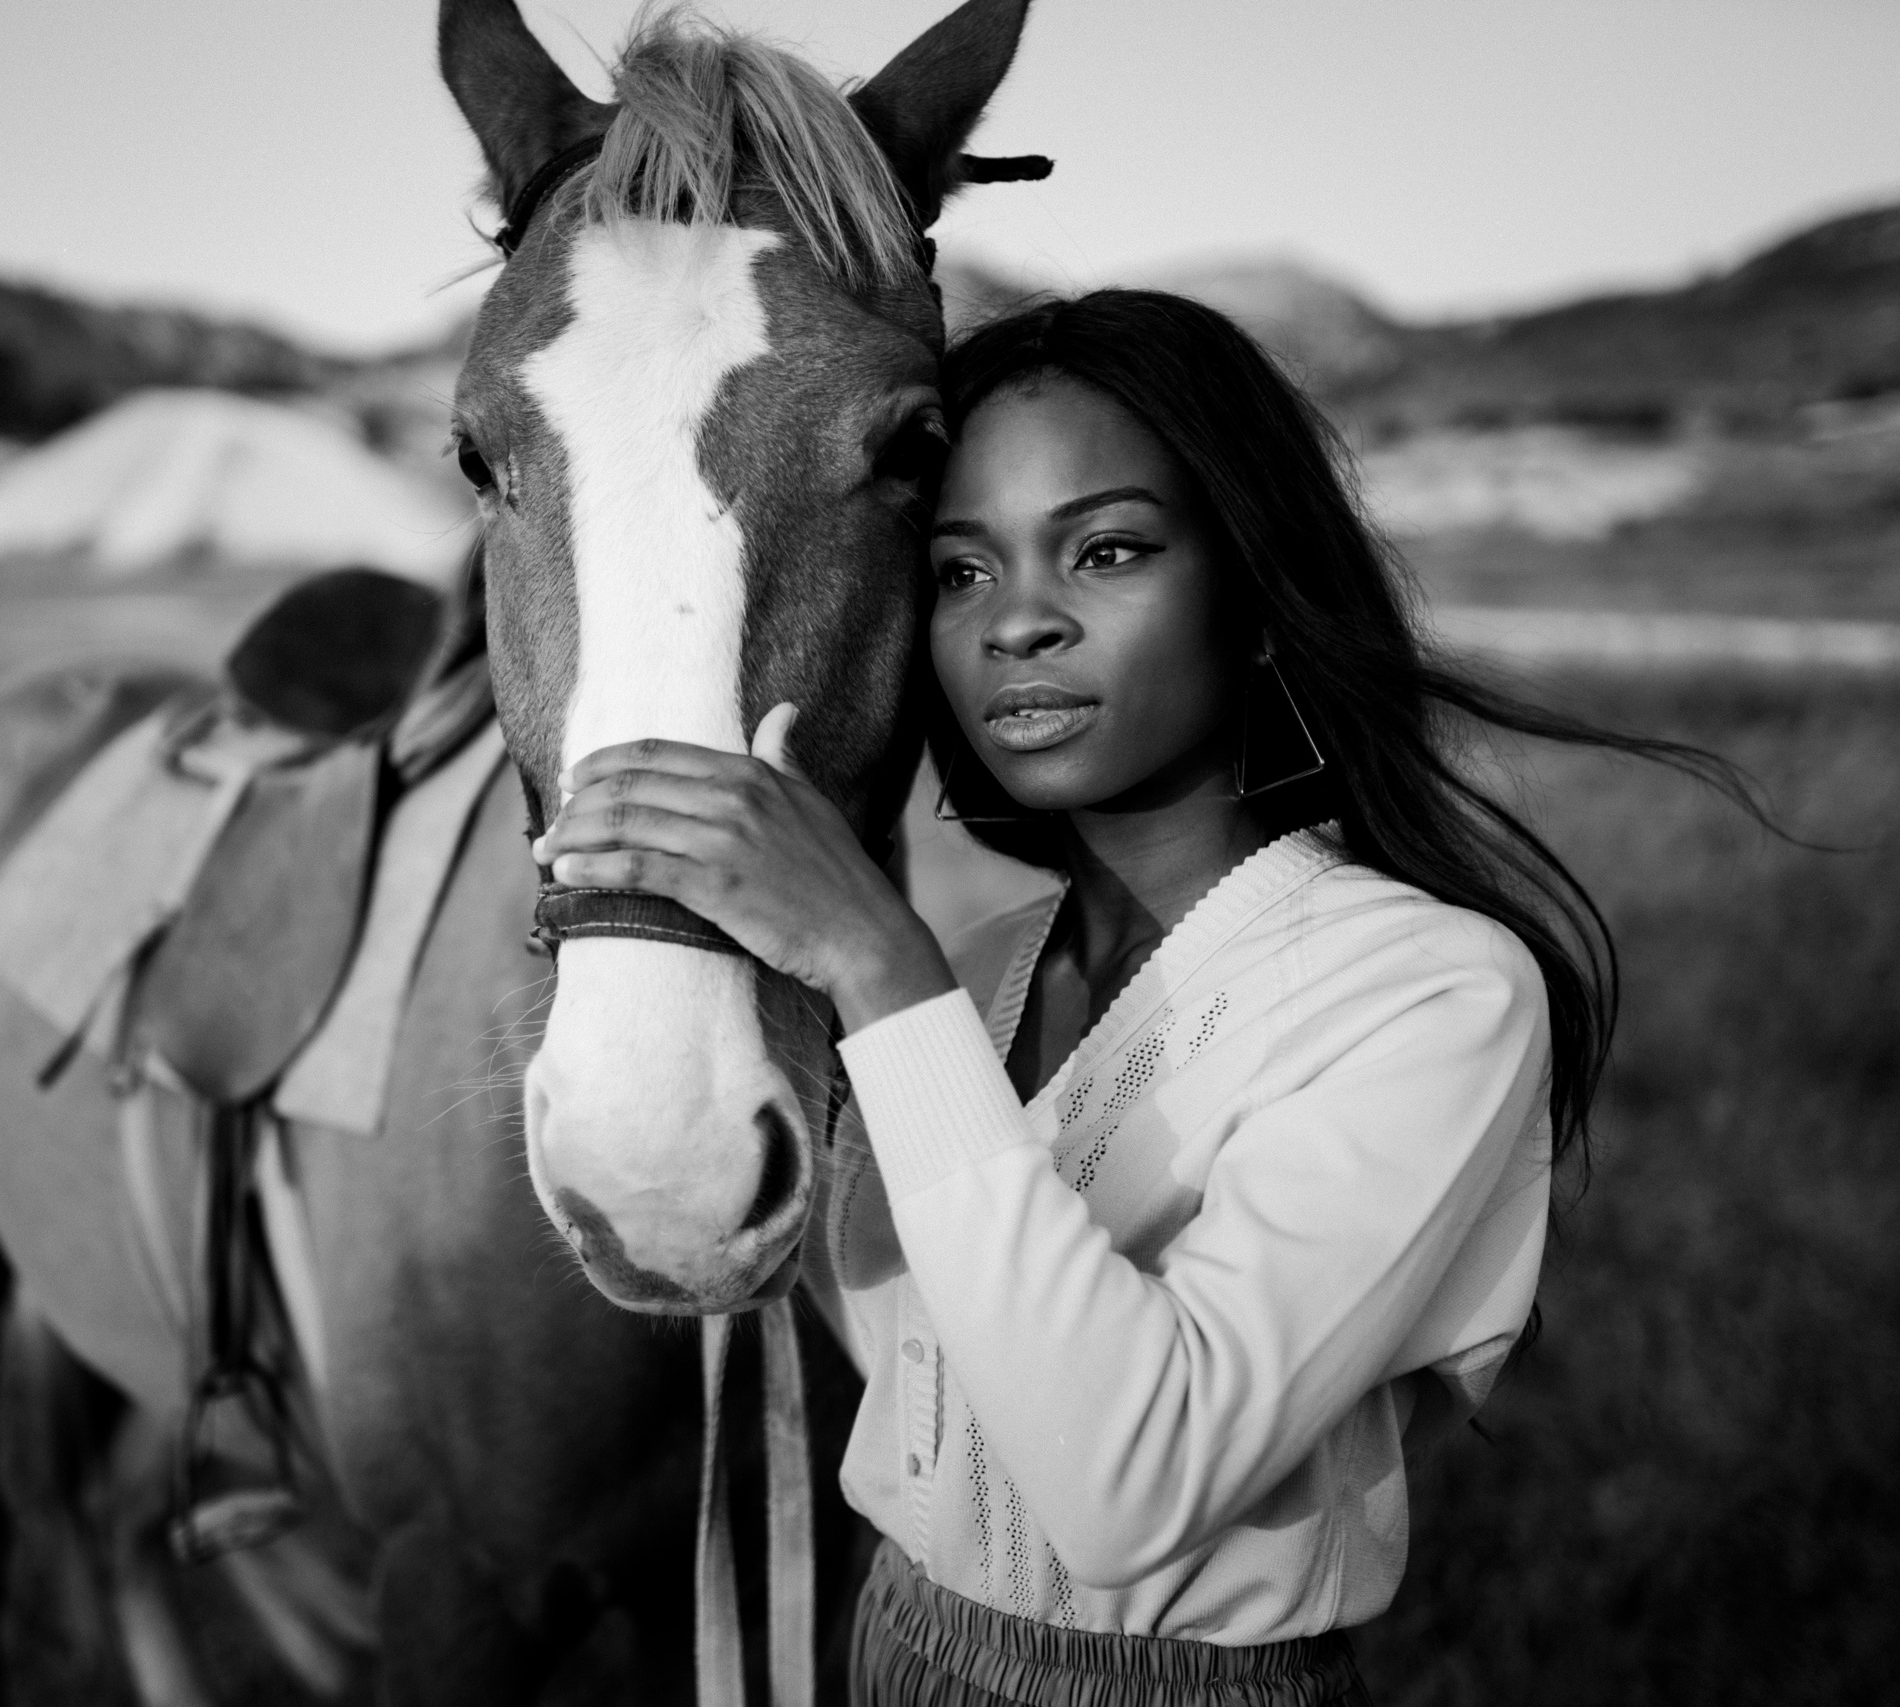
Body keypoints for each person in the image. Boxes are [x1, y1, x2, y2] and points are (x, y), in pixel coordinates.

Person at [531, 290, 1747, 1706]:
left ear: (1260, 598)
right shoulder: (980, 971)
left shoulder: (1433, 993)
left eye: (1105, 551)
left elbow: (1128, 1485)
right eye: (963, 573)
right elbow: (921, 1377)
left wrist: (874, 962)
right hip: (891, 1647)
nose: (1021, 625)